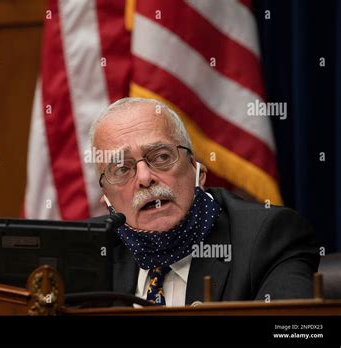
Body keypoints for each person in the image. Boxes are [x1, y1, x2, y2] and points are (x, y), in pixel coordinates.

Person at [89, 97, 319, 306]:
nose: (145, 178)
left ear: (197, 171)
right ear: (107, 200)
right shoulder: (86, 252)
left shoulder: (270, 237)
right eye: (121, 169)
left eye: (161, 157)